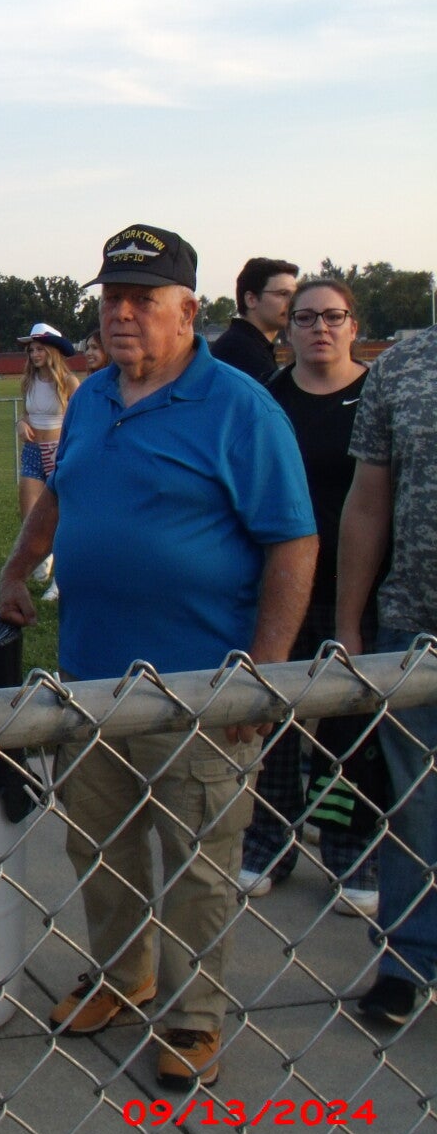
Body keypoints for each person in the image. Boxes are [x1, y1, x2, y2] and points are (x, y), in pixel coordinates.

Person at [0, 224, 314, 1093]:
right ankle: (122, 974)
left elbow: (293, 541)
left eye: (143, 299)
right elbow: (62, 493)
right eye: (112, 298)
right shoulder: (94, 395)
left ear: (188, 310)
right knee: (99, 849)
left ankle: (191, 1016)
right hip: (92, 679)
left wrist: (262, 674)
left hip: (201, 688)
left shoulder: (241, 408)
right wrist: (18, 566)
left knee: (199, 862)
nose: (122, 313)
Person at [240, 279, 380, 917]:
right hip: (282, 586)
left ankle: (351, 850)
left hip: (358, 586)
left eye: (333, 316)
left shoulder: (377, 395)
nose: (320, 328)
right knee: (274, 718)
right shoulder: (267, 400)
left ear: (354, 326)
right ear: (287, 329)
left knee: (352, 725)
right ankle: (268, 842)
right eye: (305, 317)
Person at [337, 322, 437, 1028]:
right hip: (414, 625)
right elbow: (368, 501)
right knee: (417, 804)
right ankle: (409, 960)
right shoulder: (402, 367)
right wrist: (349, 621)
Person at [14, 323, 78, 602]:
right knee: (29, 516)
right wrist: (21, 423)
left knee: (62, 518)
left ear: (52, 351)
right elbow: (26, 414)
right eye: (31, 350)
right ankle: (43, 555)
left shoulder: (69, 382)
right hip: (32, 450)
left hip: (58, 452)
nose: (34, 354)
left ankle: (58, 581)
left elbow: (80, 420)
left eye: (40, 349)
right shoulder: (28, 381)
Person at [209, 257, 299, 382]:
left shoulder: (249, 345)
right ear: (251, 300)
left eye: (295, 295)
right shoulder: (240, 352)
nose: (293, 302)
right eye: (283, 294)